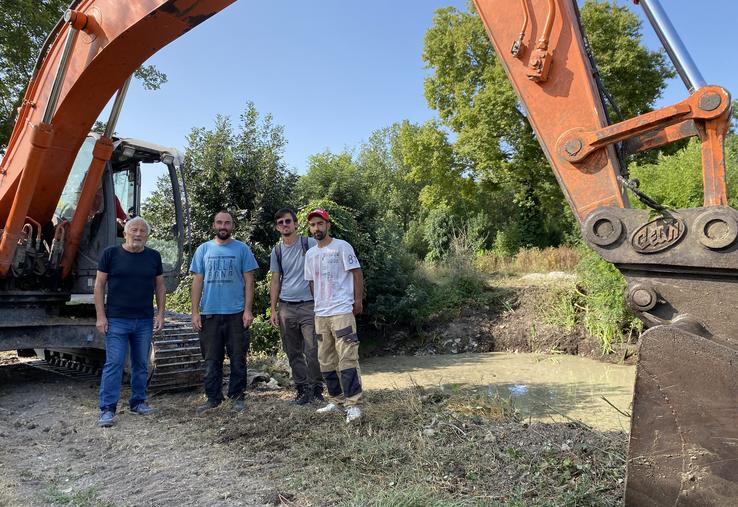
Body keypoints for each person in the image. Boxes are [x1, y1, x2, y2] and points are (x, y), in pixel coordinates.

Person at [94, 216, 165, 428]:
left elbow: (159, 286)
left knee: (141, 364)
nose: (138, 234)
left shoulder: (153, 256)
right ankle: (107, 409)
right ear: (125, 233)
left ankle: (138, 402)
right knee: (114, 363)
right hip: (117, 319)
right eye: (134, 229)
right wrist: (100, 315)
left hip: (144, 320)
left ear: (148, 235)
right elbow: (99, 286)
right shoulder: (110, 254)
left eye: (143, 231)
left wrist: (160, 314)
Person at [190, 211, 258, 414]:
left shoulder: (242, 249)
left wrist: (247, 310)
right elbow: (197, 282)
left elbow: (249, 281)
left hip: (236, 313)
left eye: (227, 223)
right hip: (209, 313)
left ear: (232, 226)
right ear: (214, 225)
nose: (223, 226)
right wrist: (195, 312)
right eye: (219, 222)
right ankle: (213, 398)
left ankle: (237, 397)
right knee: (211, 359)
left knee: (238, 358)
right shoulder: (203, 249)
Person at [303, 208, 365, 423]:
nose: (316, 228)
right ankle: (336, 401)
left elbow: (356, 273)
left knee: (347, 357)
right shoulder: (310, 254)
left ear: (328, 225)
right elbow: (311, 282)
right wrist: (318, 304)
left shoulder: (342, 247)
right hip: (321, 314)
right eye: (312, 225)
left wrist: (357, 301)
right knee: (326, 360)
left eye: (320, 223)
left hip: (341, 311)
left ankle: (353, 404)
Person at [269, 208, 323, 405]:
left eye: (288, 221)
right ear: (277, 227)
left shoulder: (308, 243)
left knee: (313, 350)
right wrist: (273, 309)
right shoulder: (276, 251)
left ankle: (317, 389)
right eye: (281, 222)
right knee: (292, 351)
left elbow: (322, 269)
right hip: (286, 307)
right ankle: (301, 390)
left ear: (296, 224)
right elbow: (275, 280)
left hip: (309, 305)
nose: (285, 225)